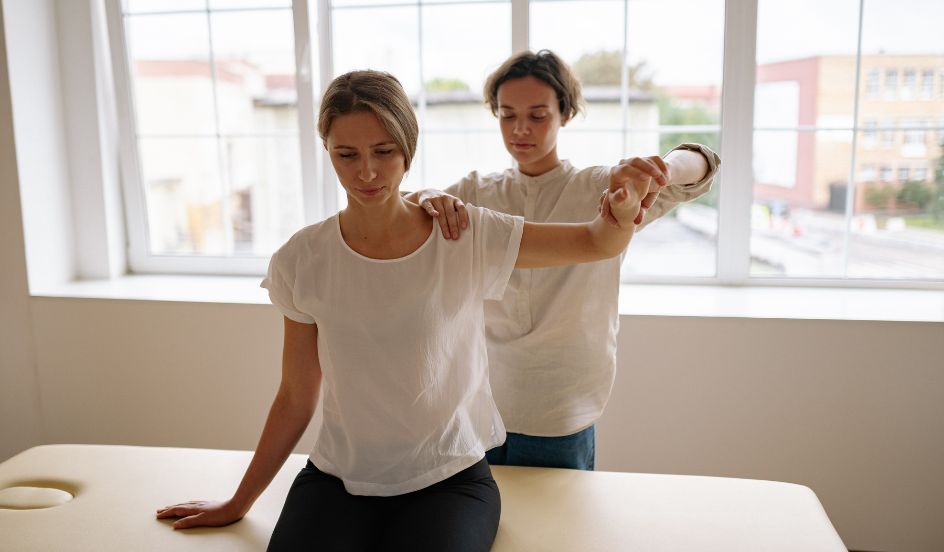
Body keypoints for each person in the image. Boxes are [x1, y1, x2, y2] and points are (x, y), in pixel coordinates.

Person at [156, 69, 659, 551]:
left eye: (384, 151)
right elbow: (295, 395)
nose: (366, 172)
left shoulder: (461, 234)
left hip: (450, 480)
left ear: (408, 149)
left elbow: (595, 242)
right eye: (346, 154)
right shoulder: (302, 259)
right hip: (338, 478)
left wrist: (619, 213)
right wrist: (239, 501)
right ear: (327, 151)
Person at [407, 49, 721, 471]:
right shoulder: (477, 191)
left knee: (558, 533)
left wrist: (658, 168)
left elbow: (704, 164)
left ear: (565, 114)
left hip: (562, 405)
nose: (520, 129)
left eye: (537, 115)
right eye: (507, 114)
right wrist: (426, 196)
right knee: (484, 528)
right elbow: (407, 212)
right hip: (482, 402)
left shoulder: (606, 188)